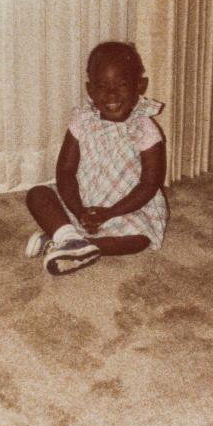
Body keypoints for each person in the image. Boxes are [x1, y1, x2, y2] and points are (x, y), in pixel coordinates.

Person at [24, 41, 168, 275]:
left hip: (126, 209)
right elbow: (65, 171)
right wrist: (78, 209)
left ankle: (66, 242)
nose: (111, 94)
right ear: (90, 90)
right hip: (80, 204)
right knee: (37, 195)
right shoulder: (82, 122)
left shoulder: (145, 130)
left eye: (121, 84)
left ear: (140, 86)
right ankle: (69, 237)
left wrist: (110, 213)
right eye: (102, 86)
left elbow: (149, 185)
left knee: (140, 241)